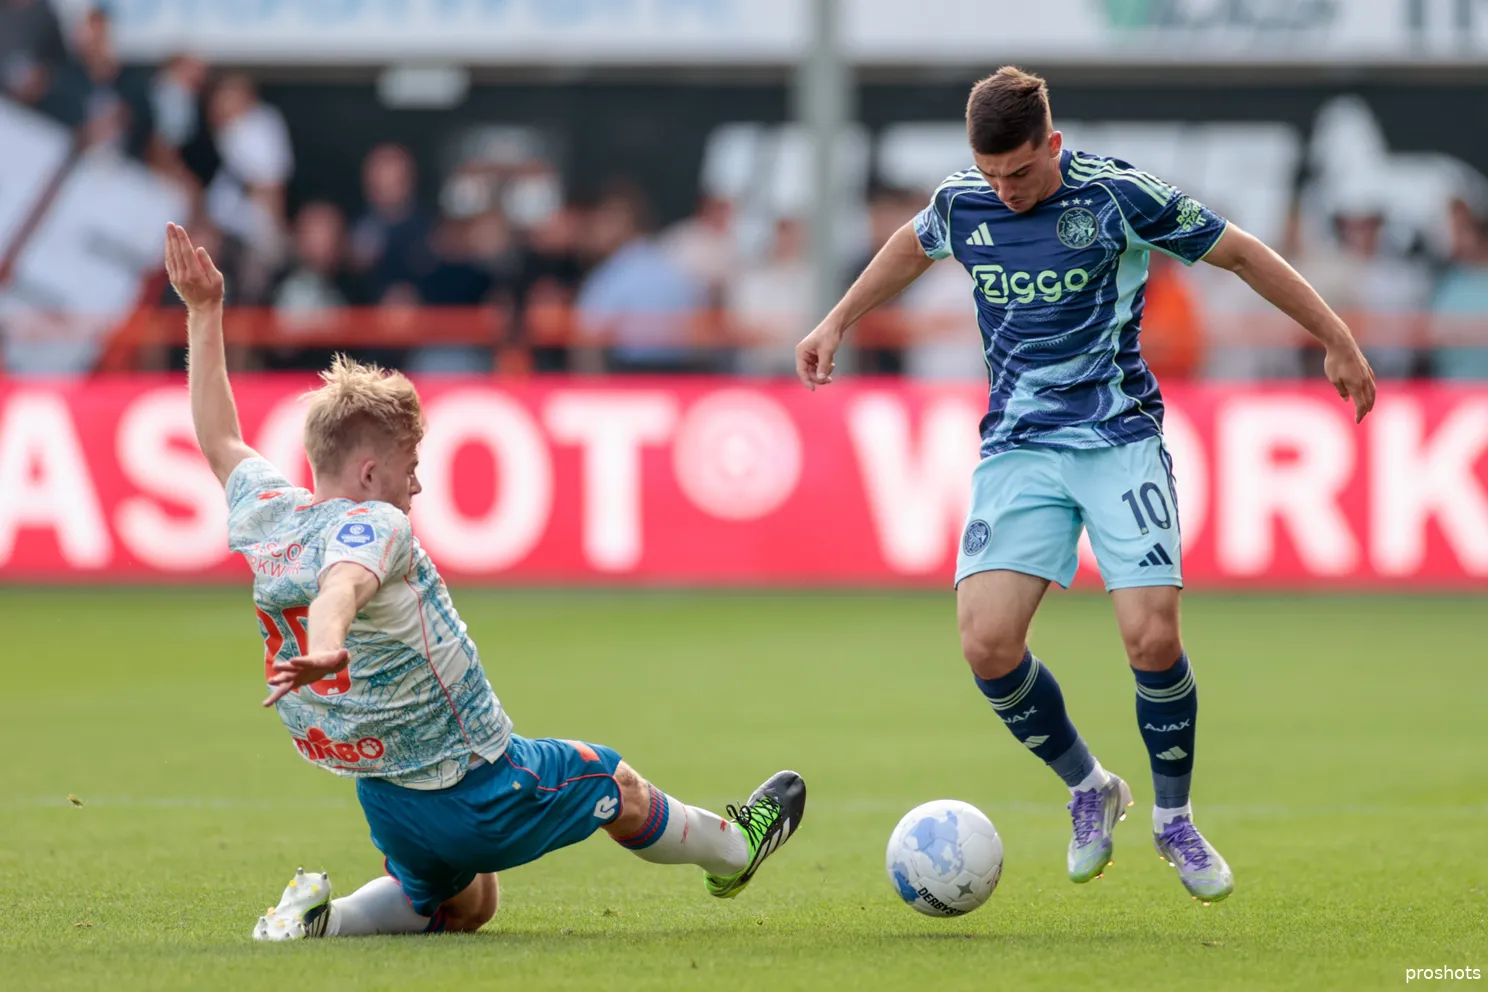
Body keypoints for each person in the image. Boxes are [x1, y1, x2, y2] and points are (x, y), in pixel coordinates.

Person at [794, 67, 1376, 905]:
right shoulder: (965, 202)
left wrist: (1338, 340)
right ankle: (1090, 787)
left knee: (1150, 637)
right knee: (986, 645)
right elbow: (912, 245)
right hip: (1020, 448)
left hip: (1119, 439)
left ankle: (1173, 819)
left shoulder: (1118, 197)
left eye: (1021, 172)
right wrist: (834, 319)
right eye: (991, 174)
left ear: (1053, 146)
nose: (1006, 190)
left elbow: (1242, 253)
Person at [162, 222, 806, 940]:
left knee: (466, 907)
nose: (418, 487)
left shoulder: (270, 513)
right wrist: (328, 640)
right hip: (474, 783)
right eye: (409, 469)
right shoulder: (372, 524)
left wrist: (203, 312)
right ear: (371, 475)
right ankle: (734, 851)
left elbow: (221, 439)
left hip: (386, 792)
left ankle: (322, 921)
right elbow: (343, 583)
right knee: (612, 780)